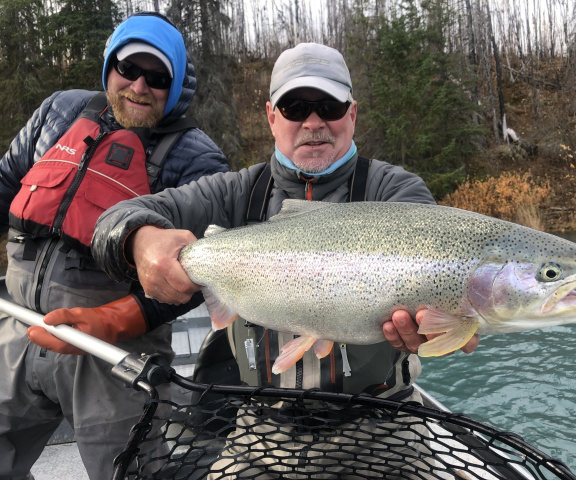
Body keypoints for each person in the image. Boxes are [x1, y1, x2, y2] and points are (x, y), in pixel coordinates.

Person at [89, 42, 479, 477]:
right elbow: (110, 222)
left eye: (328, 106)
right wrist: (139, 241)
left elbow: (448, 280)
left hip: (385, 424)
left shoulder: (396, 193)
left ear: (352, 114)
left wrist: (445, 325)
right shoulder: (233, 194)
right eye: (296, 107)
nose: (314, 122)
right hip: (259, 432)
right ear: (272, 116)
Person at [0, 12, 229, 480]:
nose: (139, 86)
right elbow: (5, 182)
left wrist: (114, 319)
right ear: (109, 68)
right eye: (128, 69)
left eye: (158, 77)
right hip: (17, 325)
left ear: (178, 84)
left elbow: (198, 274)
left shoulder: (197, 157)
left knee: (131, 471)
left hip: (114, 352)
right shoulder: (58, 112)